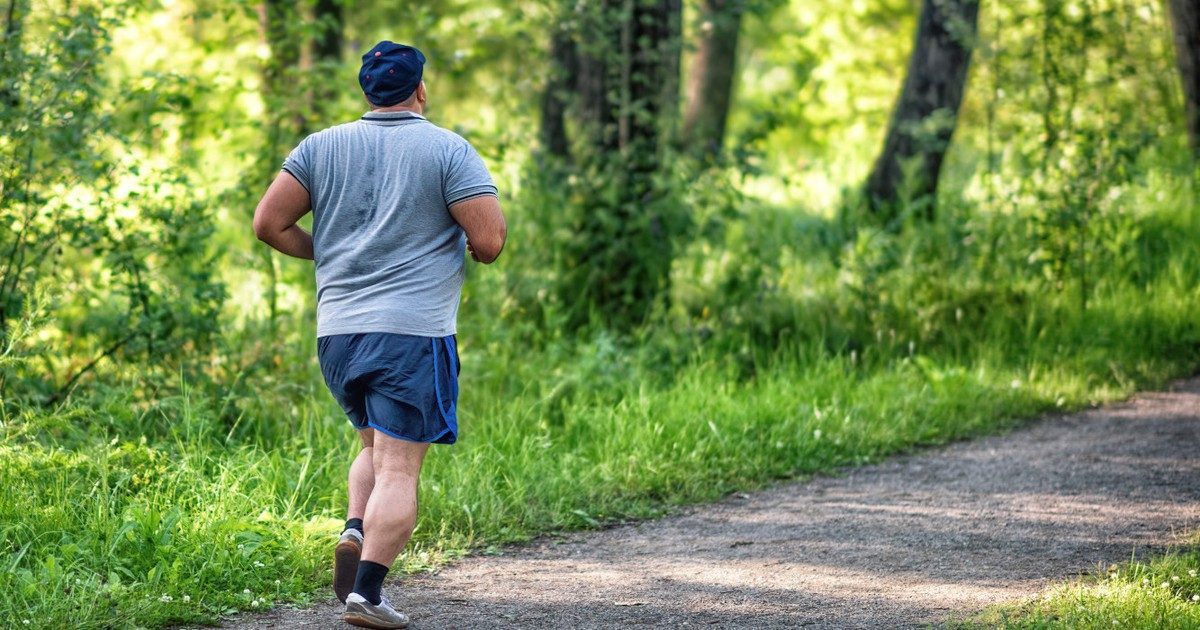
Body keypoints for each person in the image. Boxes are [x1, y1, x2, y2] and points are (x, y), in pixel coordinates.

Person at [252, 40, 506, 629]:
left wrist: (331, 256)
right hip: (411, 334)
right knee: (399, 467)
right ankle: (367, 595)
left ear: (367, 90)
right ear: (420, 88)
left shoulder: (320, 146)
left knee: (372, 445)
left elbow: (269, 223)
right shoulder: (448, 149)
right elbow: (490, 242)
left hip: (339, 333)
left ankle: (355, 527)